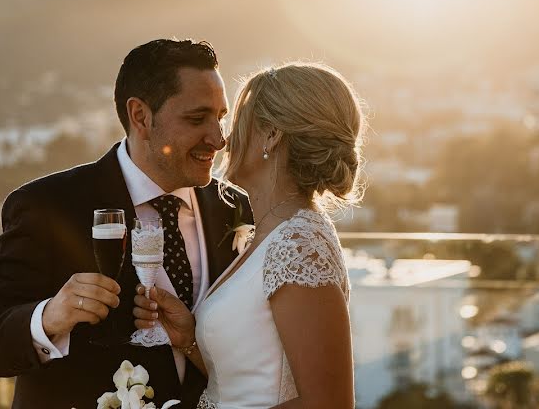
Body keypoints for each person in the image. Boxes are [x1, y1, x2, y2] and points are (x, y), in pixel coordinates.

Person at [0, 39, 251, 409]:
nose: (218, 139)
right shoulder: (49, 207)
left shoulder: (235, 207)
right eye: (196, 119)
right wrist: (49, 317)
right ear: (140, 116)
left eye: (220, 118)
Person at [133, 62, 365, 409]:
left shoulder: (300, 245)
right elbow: (248, 378)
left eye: (238, 120)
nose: (224, 138)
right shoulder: (273, 234)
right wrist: (188, 340)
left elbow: (328, 404)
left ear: (271, 134)